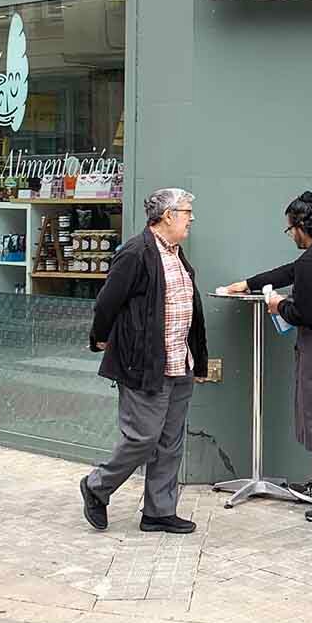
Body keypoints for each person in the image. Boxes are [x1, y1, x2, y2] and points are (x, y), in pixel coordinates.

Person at [224, 191, 312, 524]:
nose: (290, 235)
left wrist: (278, 305)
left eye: (290, 229)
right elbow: (292, 272)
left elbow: (304, 313)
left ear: (302, 226)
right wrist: (249, 284)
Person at [79, 187, 208, 535]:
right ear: (168, 216)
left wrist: (198, 360)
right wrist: (100, 336)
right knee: (143, 438)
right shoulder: (136, 253)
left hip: (179, 362)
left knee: (170, 441)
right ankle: (97, 486)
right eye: (186, 212)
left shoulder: (177, 254)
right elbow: (107, 302)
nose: (191, 219)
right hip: (144, 363)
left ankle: (159, 512)